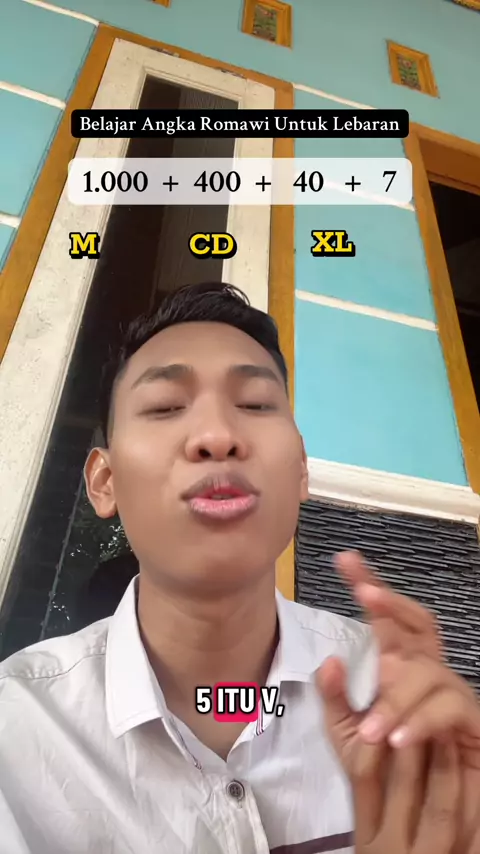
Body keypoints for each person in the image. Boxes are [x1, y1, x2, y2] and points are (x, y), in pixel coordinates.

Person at [0, 281, 479, 854]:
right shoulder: (16, 732)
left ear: (300, 469)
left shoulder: (400, 709)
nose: (217, 437)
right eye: (165, 407)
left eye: (254, 404)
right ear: (105, 481)